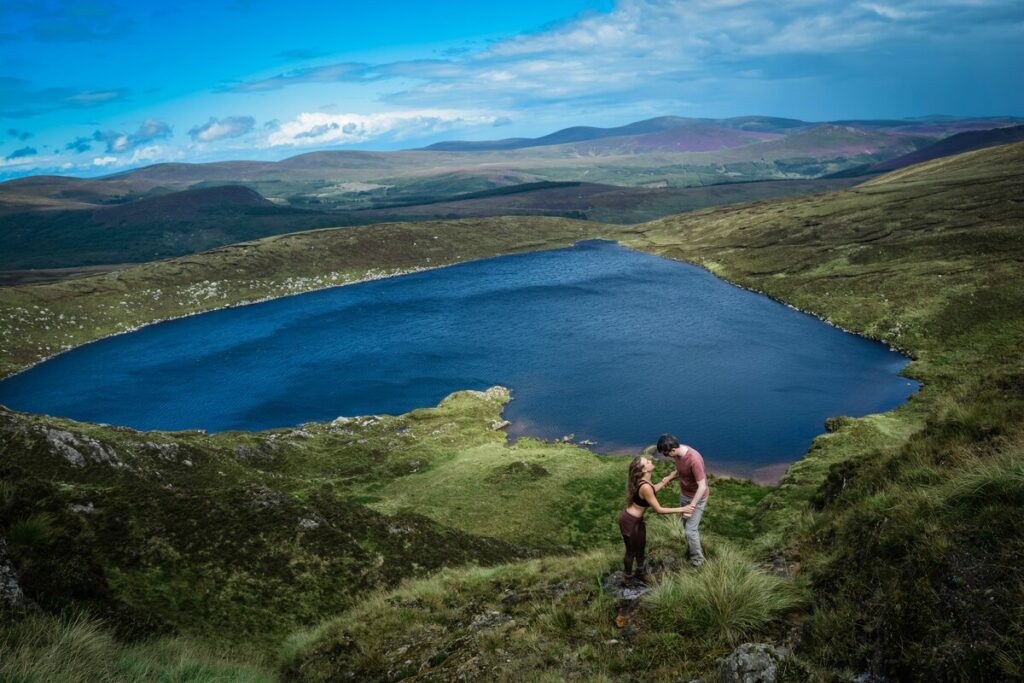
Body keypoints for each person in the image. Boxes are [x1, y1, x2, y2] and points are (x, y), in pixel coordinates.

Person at [619, 455, 687, 585]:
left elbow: (652, 489)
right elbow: (659, 510)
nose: (651, 461)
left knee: (641, 547)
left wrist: (669, 478)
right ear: (644, 470)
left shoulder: (644, 481)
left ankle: (640, 571)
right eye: (647, 462)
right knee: (631, 551)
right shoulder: (645, 486)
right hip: (630, 521)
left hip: (637, 520)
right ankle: (627, 578)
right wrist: (684, 508)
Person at [657, 434, 709, 567]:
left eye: (666, 454)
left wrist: (691, 507)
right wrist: (669, 477)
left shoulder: (694, 459)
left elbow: (702, 486)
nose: (667, 456)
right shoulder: (679, 454)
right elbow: (680, 469)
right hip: (685, 494)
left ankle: (698, 561)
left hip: (697, 498)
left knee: (690, 530)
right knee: (686, 527)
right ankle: (691, 551)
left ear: (673, 449)